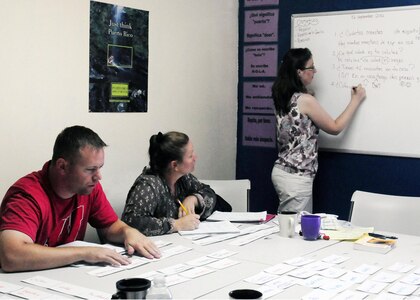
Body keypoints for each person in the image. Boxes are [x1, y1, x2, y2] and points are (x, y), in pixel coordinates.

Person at [0, 125, 161, 272]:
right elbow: (11, 256)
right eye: (90, 169)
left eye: (99, 168)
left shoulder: (88, 187)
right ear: (62, 166)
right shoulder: (28, 195)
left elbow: (110, 226)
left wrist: (127, 231)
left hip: (63, 275)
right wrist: (85, 252)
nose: (98, 176)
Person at [271, 48, 366, 213]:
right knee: (293, 231)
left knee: (290, 227)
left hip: (283, 171)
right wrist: (355, 100)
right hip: (297, 177)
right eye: (311, 68)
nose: (314, 71)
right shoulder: (306, 100)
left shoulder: (283, 97)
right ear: (299, 72)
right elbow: (335, 127)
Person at [121, 131, 217, 236]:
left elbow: (209, 193)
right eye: (190, 156)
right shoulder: (149, 185)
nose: (195, 157)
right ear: (175, 165)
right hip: (154, 247)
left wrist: (194, 199)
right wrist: (175, 225)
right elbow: (131, 222)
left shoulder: (184, 178)